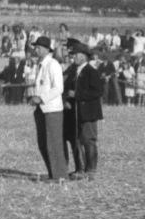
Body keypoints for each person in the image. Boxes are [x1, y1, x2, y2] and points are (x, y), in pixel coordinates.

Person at [26, 36, 66, 182]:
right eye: (35, 47)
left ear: (46, 49)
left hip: (52, 110)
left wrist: (41, 98)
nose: (35, 50)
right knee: (43, 143)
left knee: (53, 143)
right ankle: (52, 173)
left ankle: (59, 175)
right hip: (41, 109)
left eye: (38, 47)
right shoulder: (40, 65)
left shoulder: (53, 64)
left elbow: (58, 88)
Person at [64, 39, 103, 181]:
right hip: (75, 113)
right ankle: (80, 169)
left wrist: (77, 95)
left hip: (89, 113)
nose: (73, 57)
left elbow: (98, 92)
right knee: (77, 140)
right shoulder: (73, 71)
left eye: (75, 54)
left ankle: (91, 171)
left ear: (83, 56)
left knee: (88, 140)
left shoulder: (91, 71)